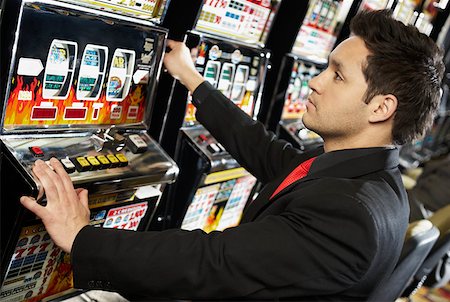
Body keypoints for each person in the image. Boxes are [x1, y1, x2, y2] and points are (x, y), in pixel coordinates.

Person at [20, 10, 444, 300]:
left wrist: (82, 238)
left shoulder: (351, 216)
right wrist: (193, 81)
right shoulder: (362, 177)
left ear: (381, 108)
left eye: (337, 75)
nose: (315, 83)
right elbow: (266, 150)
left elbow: (211, 261)